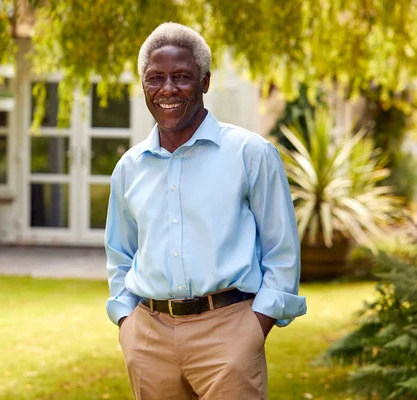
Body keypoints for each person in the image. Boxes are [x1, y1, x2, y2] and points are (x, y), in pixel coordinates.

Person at [105, 22, 306, 400]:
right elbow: (120, 254)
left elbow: (282, 252)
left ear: (205, 82)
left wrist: (254, 328)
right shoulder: (129, 167)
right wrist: (126, 322)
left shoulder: (251, 154)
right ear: (143, 84)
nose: (167, 89)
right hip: (148, 335)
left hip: (229, 332)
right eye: (155, 78)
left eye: (181, 77)